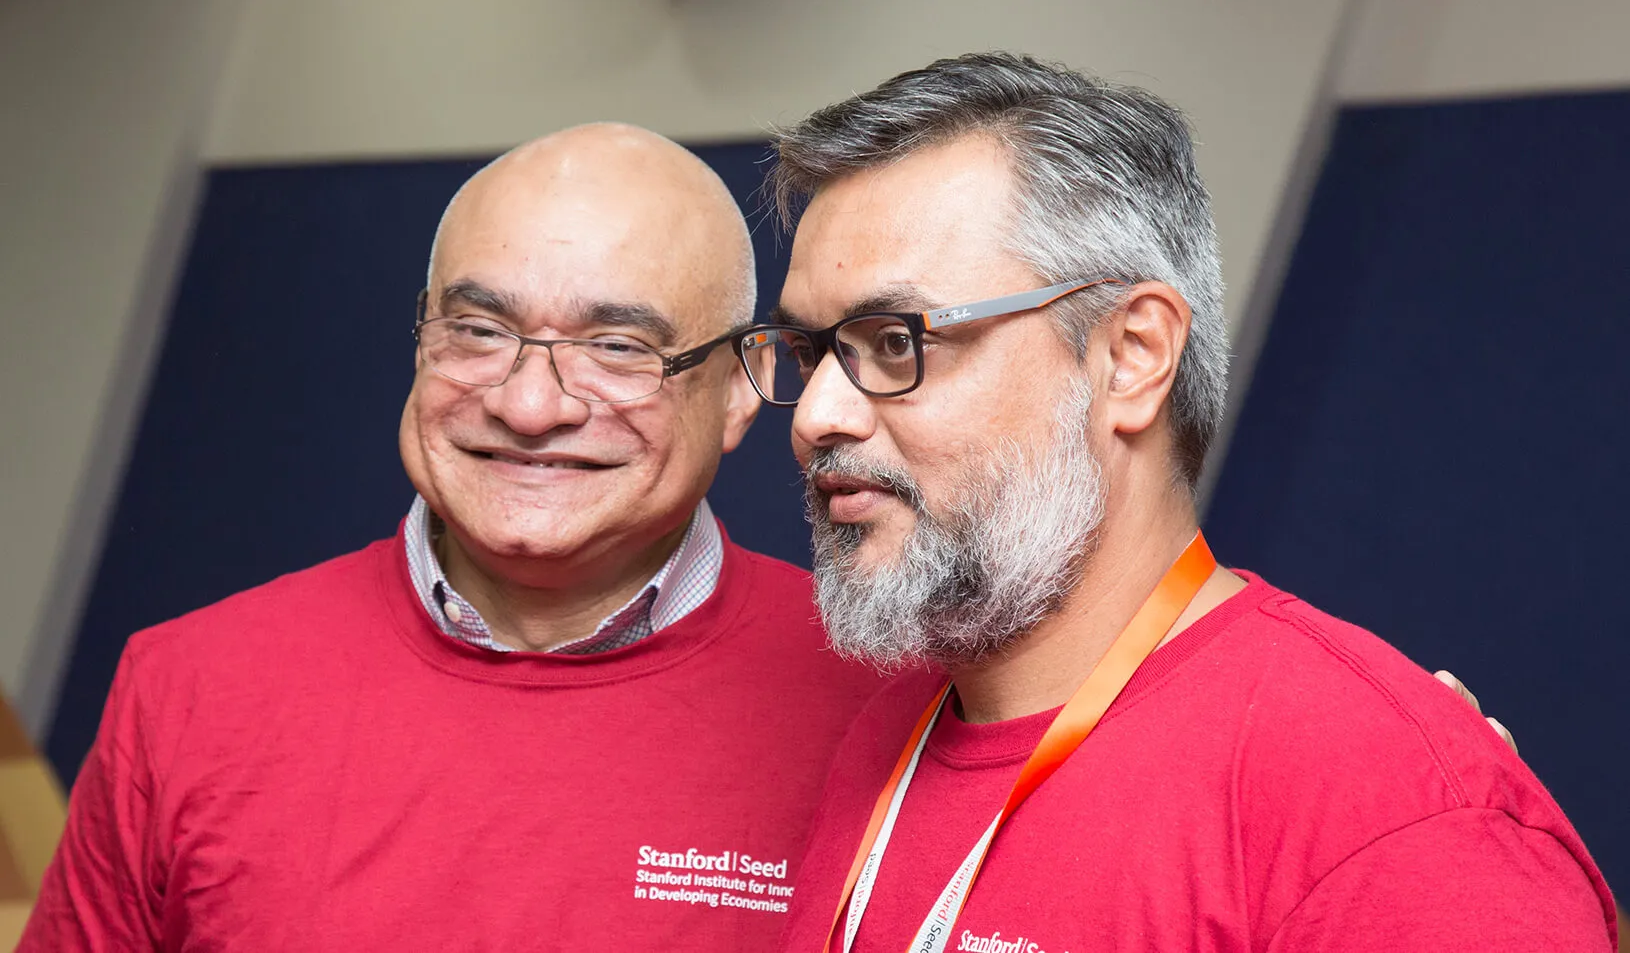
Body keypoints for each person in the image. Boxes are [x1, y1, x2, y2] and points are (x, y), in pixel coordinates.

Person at [743, 53, 1619, 951]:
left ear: (1130, 356)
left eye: (895, 341)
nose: (815, 417)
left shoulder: (1388, 811)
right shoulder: (882, 738)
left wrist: (1423, 802)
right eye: (811, 353)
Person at [21, 124, 883, 951]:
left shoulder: (884, 700)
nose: (529, 406)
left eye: (618, 347)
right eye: (478, 331)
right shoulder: (186, 686)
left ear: (743, 385)